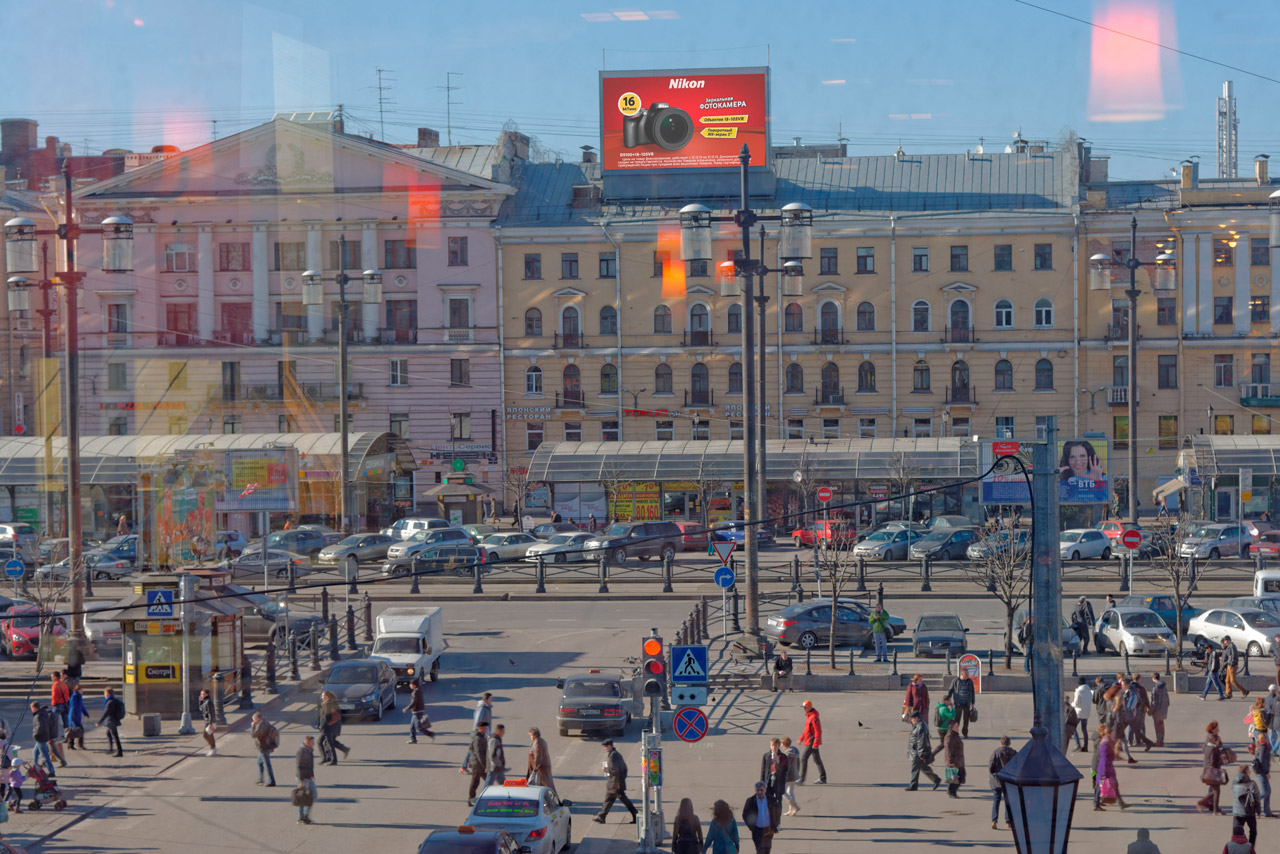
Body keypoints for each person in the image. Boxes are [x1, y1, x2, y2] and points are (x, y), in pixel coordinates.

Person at [594, 739, 637, 824]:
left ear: (610, 746)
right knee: (611, 800)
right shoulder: (614, 754)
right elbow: (624, 769)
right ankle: (602, 817)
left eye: (605, 746)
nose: (604, 748)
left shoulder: (613, 756)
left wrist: (605, 769)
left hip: (615, 784)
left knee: (613, 799)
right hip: (616, 783)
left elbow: (615, 770)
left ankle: (602, 816)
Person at [1096, 724, 1130, 810]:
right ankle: (1096, 803)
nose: (1114, 734)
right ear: (1109, 734)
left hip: (1108, 767)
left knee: (1113, 785)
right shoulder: (1105, 743)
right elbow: (1104, 758)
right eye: (1113, 733)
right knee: (1101, 786)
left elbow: (1110, 755)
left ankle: (1120, 802)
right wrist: (1104, 773)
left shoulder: (1108, 741)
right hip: (1105, 768)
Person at [905, 709, 941, 791]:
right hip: (916, 750)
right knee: (923, 767)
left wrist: (921, 754)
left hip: (917, 752)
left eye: (912, 718)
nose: (911, 720)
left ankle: (913, 785)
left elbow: (922, 741)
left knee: (915, 768)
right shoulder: (919, 724)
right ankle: (936, 779)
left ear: (917, 718)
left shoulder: (920, 726)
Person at [1200, 720, 1230, 814]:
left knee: (1213, 788)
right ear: (1212, 730)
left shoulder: (1213, 739)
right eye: (1216, 729)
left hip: (1212, 767)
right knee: (1215, 789)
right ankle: (1212, 807)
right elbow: (1213, 757)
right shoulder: (1211, 744)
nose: (1218, 730)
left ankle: (1210, 804)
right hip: (1212, 768)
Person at [988, 735, 1017, 830]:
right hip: (1009, 779)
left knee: (996, 800)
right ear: (1009, 743)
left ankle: (994, 820)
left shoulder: (996, 752)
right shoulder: (1014, 753)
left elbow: (991, 766)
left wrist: (993, 773)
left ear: (1001, 743)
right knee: (1007, 801)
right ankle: (1008, 822)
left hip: (998, 779)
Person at [742, 782, 776, 853]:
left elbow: (777, 813)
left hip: (768, 830)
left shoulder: (772, 800)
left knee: (767, 850)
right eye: (758, 790)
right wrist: (752, 827)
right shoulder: (750, 801)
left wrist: (775, 825)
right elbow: (745, 815)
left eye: (761, 790)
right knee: (760, 850)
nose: (759, 792)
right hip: (757, 830)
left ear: (765, 790)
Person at [797, 700, 826, 785]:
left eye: (805, 707)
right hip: (809, 740)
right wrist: (801, 738)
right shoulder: (809, 716)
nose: (804, 709)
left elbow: (818, 731)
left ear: (810, 707)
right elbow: (806, 730)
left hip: (812, 741)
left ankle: (802, 779)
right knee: (817, 759)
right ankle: (823, 778)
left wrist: (815, 743)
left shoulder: (813, 717)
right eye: (803, 707)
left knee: (803, 758)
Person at [1233, 765, 1262, 846]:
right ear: (1246, 772)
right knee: (1253, 832)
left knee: (1237, 833)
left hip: (1237, 812)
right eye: (1249, 771)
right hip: (1249, 812)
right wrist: (1259, 811)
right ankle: (1250, 849)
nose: (1250, 772)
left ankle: (1238, 849)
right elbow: (1257, 798)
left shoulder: (1234, 783)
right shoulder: (1252, 783)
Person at [760, 738, 787, 822]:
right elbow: (763, 771)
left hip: (778, 784)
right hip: (768, 783)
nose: (774, 748)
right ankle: (769, 821)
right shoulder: (766, 756)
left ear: (778, 746)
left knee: (778, 803)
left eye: (775, 746)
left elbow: (785, 770)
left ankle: (777, 822)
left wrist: (778, 761)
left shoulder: (783, 756)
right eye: (772, 745)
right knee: (768, 803)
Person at [318, 691, 349, 765]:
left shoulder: (327, 705)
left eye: (323, 696)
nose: (322, 697)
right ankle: (327, 758)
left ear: (326, 697)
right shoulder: (334, 703)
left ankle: (332, 759)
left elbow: (326, 718)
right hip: (334, 727)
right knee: (327, 742)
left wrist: (321, 726)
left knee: (327, 743)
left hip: (327, 728)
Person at [1126, 674, 1155, 750]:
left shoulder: (1129, 688)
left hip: (1131, 710)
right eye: (1140, 679)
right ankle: (1140, 740)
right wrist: (1148, 706)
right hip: (1140, 709)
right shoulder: (1141, 688)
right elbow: (1145, 699)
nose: (1141, 680)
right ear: (1138, 679)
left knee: (1131, 726)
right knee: (1140, 725)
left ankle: (1130, 741)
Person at [250, 711, 278, 787]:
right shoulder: (266, 722)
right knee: (259, 762)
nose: (253, 721)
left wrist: (252, 727)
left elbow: (253, 735)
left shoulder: (260, 725)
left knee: (267, 764)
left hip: (263, 746)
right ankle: (260, 779)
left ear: (256, 719)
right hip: (267, 745)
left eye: (254, 720)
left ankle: (271, 781)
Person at [945, 670, 976, 738]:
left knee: (966, 719)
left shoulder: (970, 681)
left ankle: (965, 733)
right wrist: (948, 700)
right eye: (966, 674)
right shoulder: (955, 681)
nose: (968, 675)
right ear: (962, 674)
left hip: (967, 703)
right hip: (958, 703)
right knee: (957, 719)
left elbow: (972, 692)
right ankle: (955, 733)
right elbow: (950, 690)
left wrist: (973, 703)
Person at [29, 702, 56, 777]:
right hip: (43, 737)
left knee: (45, 756)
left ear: (34, 708)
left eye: (31, 708)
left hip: (40, 738)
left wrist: (35, 735)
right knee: (35, 752)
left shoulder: (38, 716)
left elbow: (40, 727)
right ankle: (35, 767)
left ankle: (52, 771)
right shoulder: (43, 713)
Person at [465, 720, 489, 806]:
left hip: (480, 763)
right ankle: (471, 799)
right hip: (477, 764)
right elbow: (478, 753)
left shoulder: (481, 736)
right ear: (480, 728)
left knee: (488, 780)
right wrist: (485, 766)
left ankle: (488, 797)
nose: (486, 729)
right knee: (475, 781)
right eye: (485, 728)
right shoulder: (477, 739)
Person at [96, 687, 124, 756]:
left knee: (115, 736)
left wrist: (99, 722)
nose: (104, 695)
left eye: (105, 693)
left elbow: (106, 713)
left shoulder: (110, 702)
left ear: (108, 694)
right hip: (112, 721)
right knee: (108, 734)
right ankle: (111, 749)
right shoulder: (113, 700)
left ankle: (119, 751)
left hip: (111, 721)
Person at [295, 734, 316, 825]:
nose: (314, 744)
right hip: (302, 777)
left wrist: (312, 775)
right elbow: (298, 766)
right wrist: (301, 780)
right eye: (312, 742)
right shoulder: (301, 751)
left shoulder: (309, 750)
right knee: (303, 797)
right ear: (307, 742)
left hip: (308, 776)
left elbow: (310, 764)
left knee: (313, 795)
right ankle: (301, 817)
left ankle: (305, 816)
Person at [527, 726, 555, 793]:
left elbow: (538, 755)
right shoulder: (540, 741)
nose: (530, 737)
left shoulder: (537, 743)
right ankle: (550, 799)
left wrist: (535, 768)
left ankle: (550, 800)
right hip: (542, 767)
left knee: (539, 784)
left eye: (531, 735)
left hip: (540, 768)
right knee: (544, 784)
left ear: (535, 735)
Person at [942, 720, 965, 798]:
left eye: (957, 726)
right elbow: (948, 750)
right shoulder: (949, 737)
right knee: (954, 778)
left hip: (959, 760)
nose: (957, 727)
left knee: (961, 777)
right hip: (954, 761)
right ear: (951, 727)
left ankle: (952, 791)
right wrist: (950, 761)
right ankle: (951, 792)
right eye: (955, 726)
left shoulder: (955, 735)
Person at [1071, 676, 1093, 752]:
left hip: (1079, 713)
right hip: (1086, 712)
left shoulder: (1079, 692)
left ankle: (1077, 744)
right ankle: (1085, 746)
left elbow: (1076, 703)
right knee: (1084, 729)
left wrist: (1071, 704)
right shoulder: (1089, 691)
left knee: (1073, 727)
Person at [1150, 672, 1170, 747]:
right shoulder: (1164, 686)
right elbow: (1167, 698)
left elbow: (1154, 702)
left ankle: (1159, 741)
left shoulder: (1155, 689)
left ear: (1153, 679)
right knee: (1161, 724)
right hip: (1164, 708)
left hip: (1157, 710)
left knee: (1157, 725)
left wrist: (1150, 711)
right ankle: (1162, 739)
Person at [781, 736, 800, 816]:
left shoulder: (786, 754)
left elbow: (785, 766)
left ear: (784, 744)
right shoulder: (795, 750)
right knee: (790, 791)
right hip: (794, 774)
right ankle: (792, 810)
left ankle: (794, 806)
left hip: (788, 775)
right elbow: (798, 761)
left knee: (783, 792)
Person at [65, 680, 85, 751]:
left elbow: (81, 706)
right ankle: (79, 745)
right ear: (78, 690)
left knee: (73, 730)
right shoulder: (75, 697)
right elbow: (72, 707)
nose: (83, 690)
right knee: (79, 730)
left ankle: (71, 745)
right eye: (82, 689)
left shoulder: (79, 696)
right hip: (74, 716)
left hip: (77, 716)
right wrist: (72, 717)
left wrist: (85, 713)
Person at [197, 688, 217, 756]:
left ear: (206, 694)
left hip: (208, 721)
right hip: (207, 721)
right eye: (201, 694)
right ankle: (213, 749)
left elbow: (210, 713)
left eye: (202, 694)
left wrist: (210, 723)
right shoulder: (205, 701)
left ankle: (213, 748)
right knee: (210, 735)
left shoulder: (208, 702)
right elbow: (201, 709)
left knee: (206, 735)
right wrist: (200, 701)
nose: (201, 695)